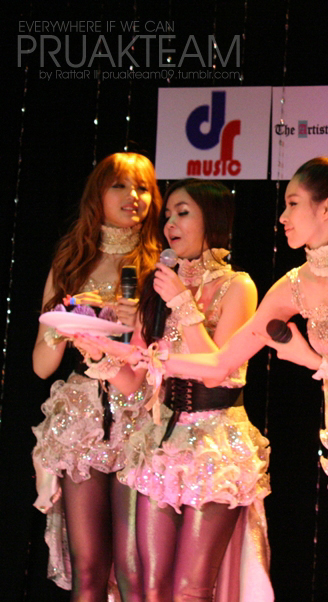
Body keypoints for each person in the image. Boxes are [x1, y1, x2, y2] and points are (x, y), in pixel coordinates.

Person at [92, 148, 328, 601]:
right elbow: (221, 364)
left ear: (327, 208)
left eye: (293, 204)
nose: (282, 217)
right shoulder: (293, 284)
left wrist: (313, 359)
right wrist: (138, 357)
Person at [100, 179, 271, 601]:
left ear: (212, 220)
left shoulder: (238, 286)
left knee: (190, 589)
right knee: (150, 585)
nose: (170, 224)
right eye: (167, 216)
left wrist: (183, 304)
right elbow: (133, 382)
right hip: (163, 438)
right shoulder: (159, 286)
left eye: (182, 213)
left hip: (216, 440)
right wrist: (101, 356)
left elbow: (217, 371)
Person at [31, 152, 162, 601]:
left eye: (142, 187)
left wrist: (139, 319)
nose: (133, 196)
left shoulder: (161, 263)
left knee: (133, 567)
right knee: (88, 567)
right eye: (120, 185)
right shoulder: (71, 262)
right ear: (97, 195)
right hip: (82, 418)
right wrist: (64, 323)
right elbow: (41, 365)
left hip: (139, 415)